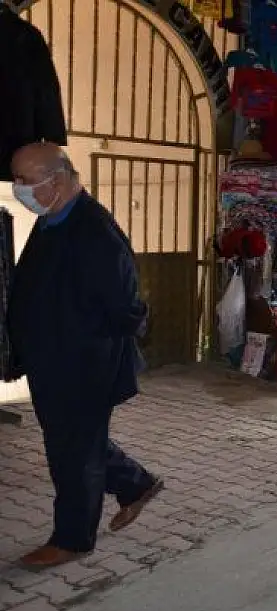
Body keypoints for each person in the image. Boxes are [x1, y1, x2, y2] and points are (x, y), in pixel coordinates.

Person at [6, 143, 162, 568]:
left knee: (72, 454)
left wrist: (89, 350)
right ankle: (135, 484)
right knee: (75, 441)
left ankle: (73, 539)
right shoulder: (54, 218)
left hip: (81, 365)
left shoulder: (93, 230)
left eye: (25, 181)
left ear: (56, 181)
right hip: (52, 360)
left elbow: (126, 307)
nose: (18, 188)